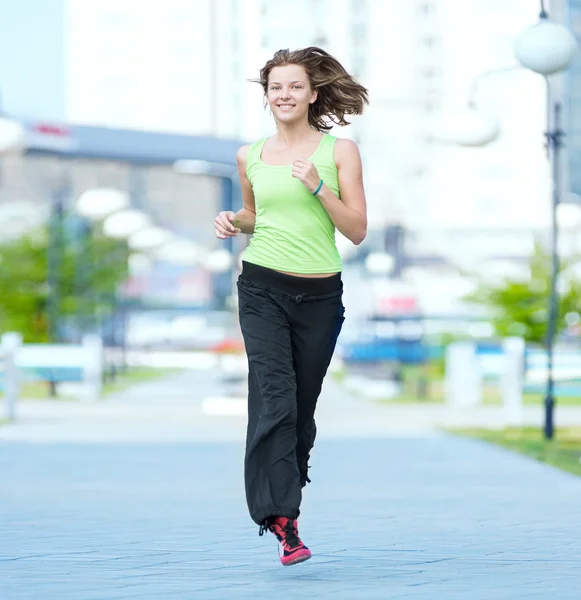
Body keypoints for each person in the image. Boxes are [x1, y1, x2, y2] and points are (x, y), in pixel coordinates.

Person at [214, 46, 368, 566]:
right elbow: (257, 216)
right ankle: (281, 520)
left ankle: (287, 509)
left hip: (320, 295)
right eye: (275, 87)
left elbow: (356, 230)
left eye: (294, 86)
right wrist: (234, 221)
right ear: (267, 96)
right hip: (261, 287)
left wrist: (318, 186)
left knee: (300, 410)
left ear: (312, 94)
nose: (284, 95)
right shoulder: (249, 155)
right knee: (274, 398)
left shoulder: (339, 151)